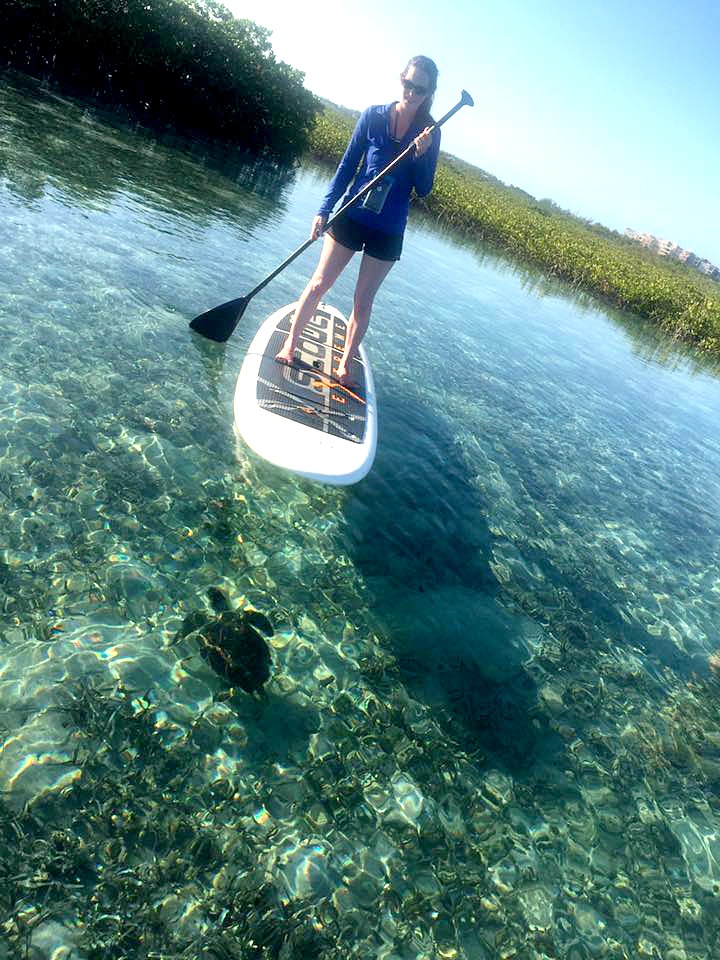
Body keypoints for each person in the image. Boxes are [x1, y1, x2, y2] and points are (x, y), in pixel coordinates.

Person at [275, 56, 441, 385]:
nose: (411, 93)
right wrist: (324, 209)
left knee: (363, 300)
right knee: (319, 283)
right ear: (401, 79)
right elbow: (347, 165)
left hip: (388, 230)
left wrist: (422, 155)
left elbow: (423, 189)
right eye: (408, 84)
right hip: (351, 213)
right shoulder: (373, 116)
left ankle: (345, 365)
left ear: (429, 92)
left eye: (420, 90)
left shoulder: (430, 132)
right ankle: (289, 345)